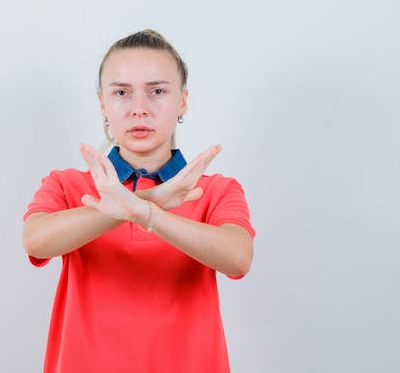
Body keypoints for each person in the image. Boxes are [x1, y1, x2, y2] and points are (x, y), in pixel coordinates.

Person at [22, 29, 255, 373]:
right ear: (103, 103)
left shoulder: (216, 190)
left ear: (183, 101)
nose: (139, 110)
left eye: (157, 91)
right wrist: (151, 200)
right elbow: (36, 241)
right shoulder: (69, 185)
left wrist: (144, 211)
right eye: (121, 93)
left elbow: (238, 258)